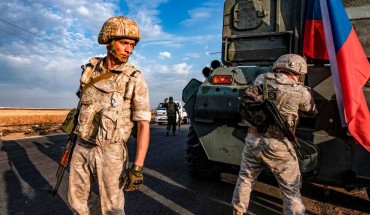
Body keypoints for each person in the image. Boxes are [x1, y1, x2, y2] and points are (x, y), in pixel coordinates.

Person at [68, 16, 151, 215]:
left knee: (111, 209)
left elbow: (143, 125)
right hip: (81, 146)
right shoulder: (90, 70)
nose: (129, 50)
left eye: (132, 45)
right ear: (108, 41)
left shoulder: (134, 78)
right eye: (124, 43)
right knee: (77, 204)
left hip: (111, 152)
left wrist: (137, 168)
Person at [232, 54, 317, 215]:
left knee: (245, 179)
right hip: (280, 144)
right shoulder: (301, 91)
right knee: (291, 189)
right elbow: (311, 111)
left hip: (253, 139)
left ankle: (238, 212)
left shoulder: (261, 79)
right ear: (298, 71)